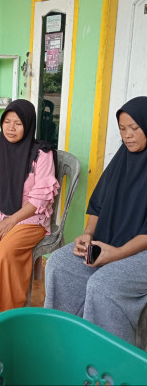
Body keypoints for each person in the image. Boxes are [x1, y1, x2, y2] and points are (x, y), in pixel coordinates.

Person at [44, 96, 147, 346]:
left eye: (134, 128)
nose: (127, 135)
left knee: (103, 286)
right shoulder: (122, 160)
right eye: (122, 129)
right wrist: (88, 234)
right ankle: (61, 341)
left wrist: (117, 254)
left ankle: (108, 359)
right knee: (59, 264)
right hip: (109, 239)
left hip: (140, 250)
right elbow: (98, 204)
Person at [0, 99, 59, 322]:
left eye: (18, 123)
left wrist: (11, 222)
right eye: (7, 122)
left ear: (28, 125)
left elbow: (39, 199)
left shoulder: (41, 154)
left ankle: (9, 313)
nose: (11, 128)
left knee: (6, 250)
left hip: (30, 218)